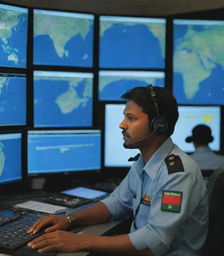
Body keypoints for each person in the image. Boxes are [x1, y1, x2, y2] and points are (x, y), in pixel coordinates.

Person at [27, 85, 208, 256]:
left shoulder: (177, 174)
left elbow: (154, 244)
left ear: (158, 125)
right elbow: (116, 204)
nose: (122, 125)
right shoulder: (144, 162)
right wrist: (68, 220)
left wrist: (80, 241)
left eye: (131, 118)